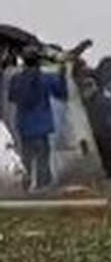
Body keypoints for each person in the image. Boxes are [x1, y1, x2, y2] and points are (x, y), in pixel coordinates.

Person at [6, 51, 67, 191]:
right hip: (42, 126)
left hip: (24, 124)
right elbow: (61, 93)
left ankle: (24, 185)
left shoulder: (16, 79)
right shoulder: (45, 78)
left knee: (26, 157)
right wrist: (62, 74)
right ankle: (42, 186)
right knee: (42, 158)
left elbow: (12, 97)